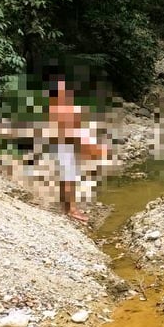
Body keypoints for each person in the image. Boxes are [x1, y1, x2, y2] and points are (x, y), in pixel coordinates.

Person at [45, 74, 109, 223]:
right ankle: (72, 209)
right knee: (69, 178)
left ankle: (65, 208)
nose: (67, 92)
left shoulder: (57, 106)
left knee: (66, 177)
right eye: (63, 89)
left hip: (63, 144)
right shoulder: (59, 108)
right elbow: (69, 128)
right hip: (63, 145)